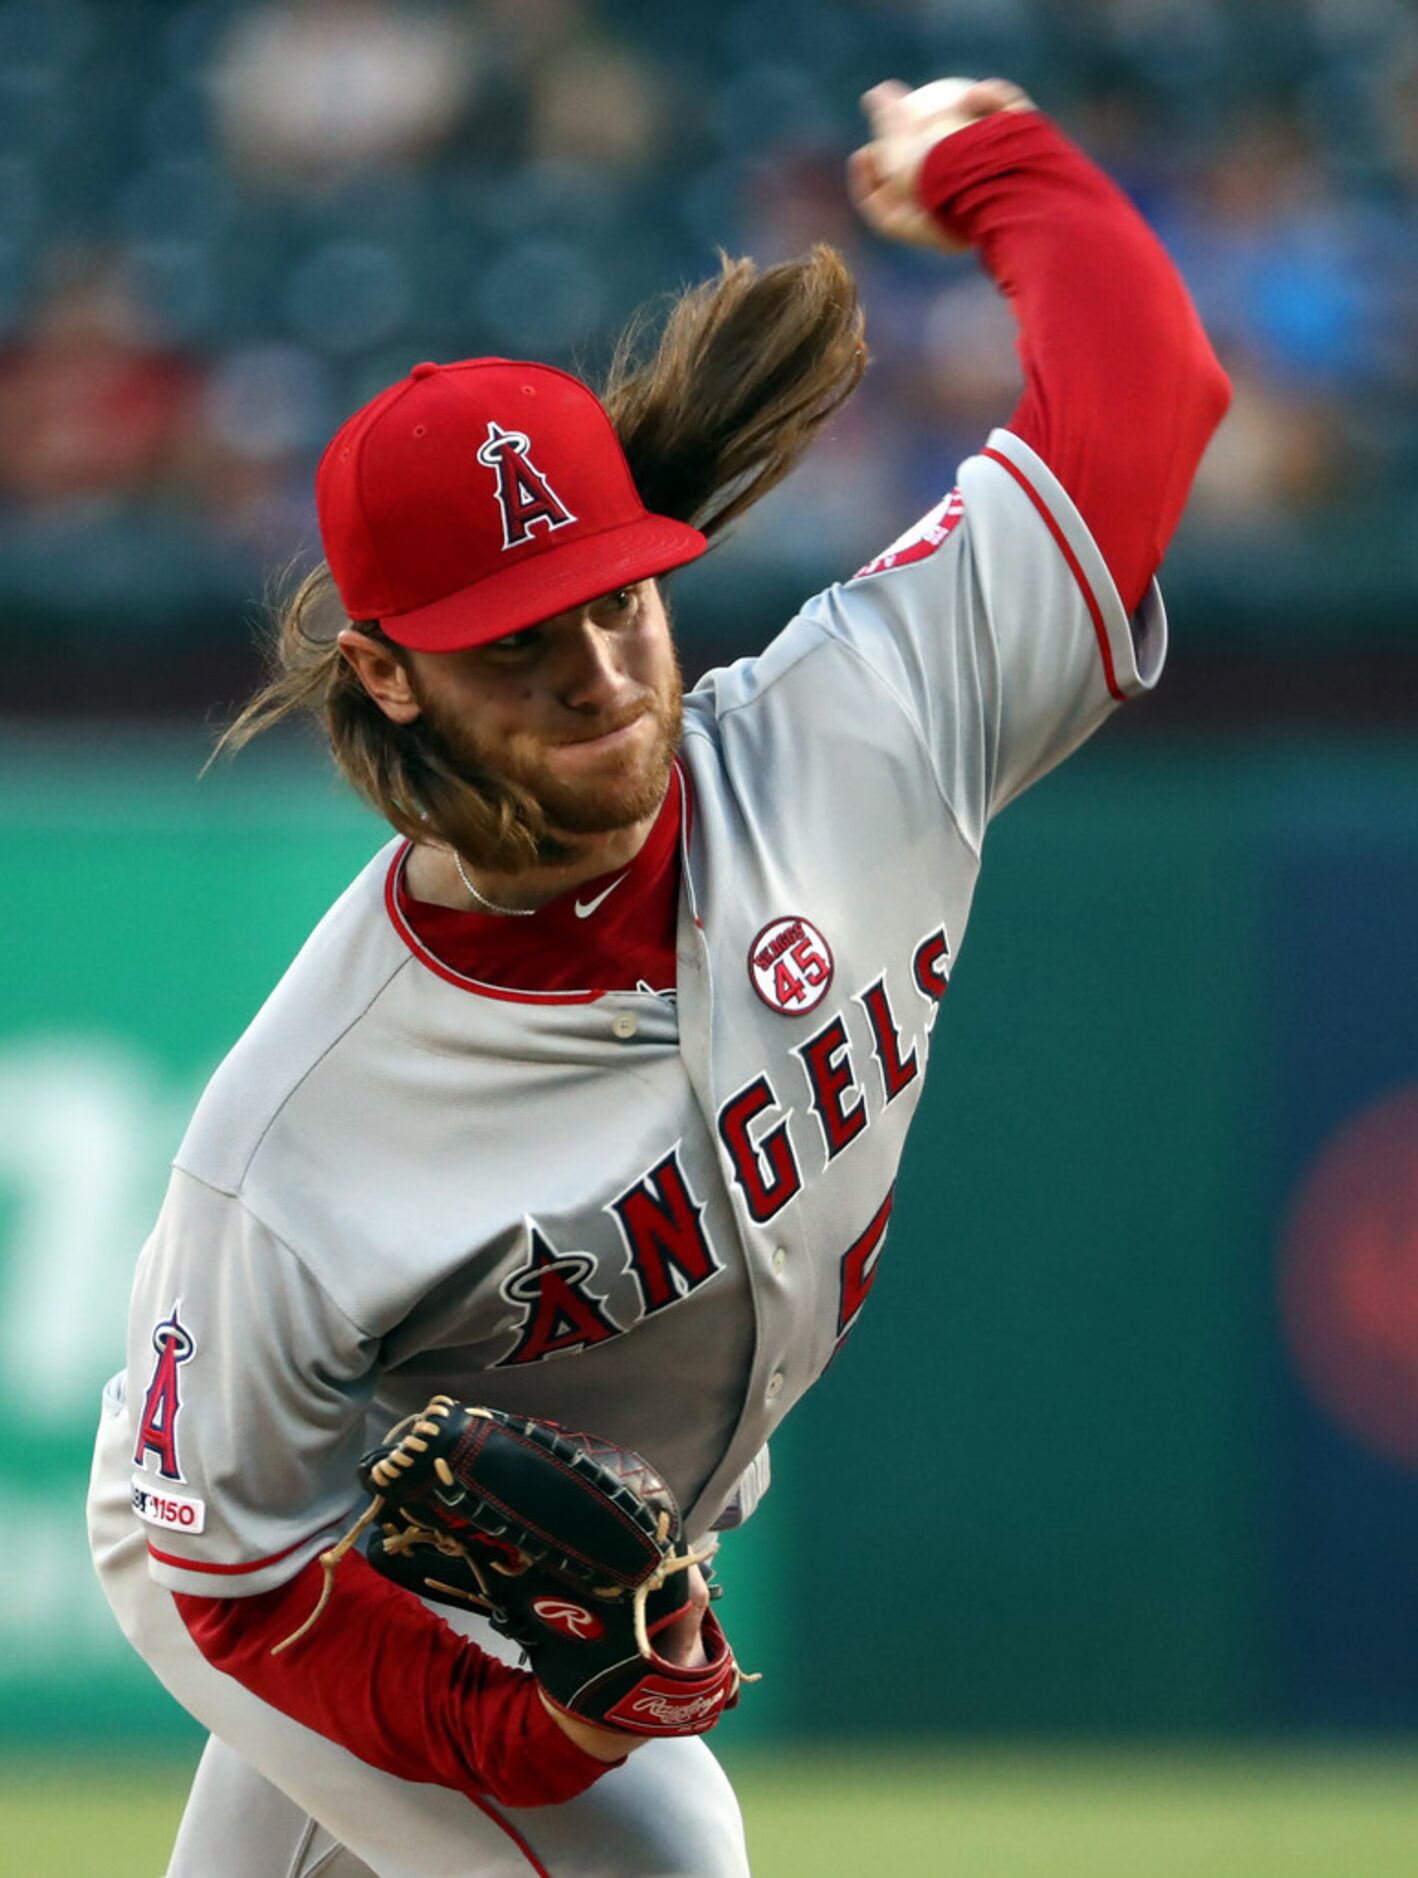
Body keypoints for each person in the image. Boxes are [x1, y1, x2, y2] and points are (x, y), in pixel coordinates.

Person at [88, 76, 1230, 1878]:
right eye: (517, 645)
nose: (600, 673)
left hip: (507, 1558)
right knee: (659, 1851)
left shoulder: (862, 727)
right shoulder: (302, 1134)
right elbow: (233, 1575)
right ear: (393, 676)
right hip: (292, 1560)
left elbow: (1146, 402)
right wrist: (535, 1728)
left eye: (616, 600)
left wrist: (994, 161)